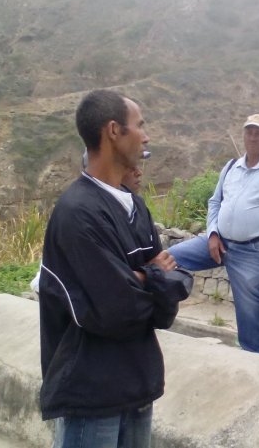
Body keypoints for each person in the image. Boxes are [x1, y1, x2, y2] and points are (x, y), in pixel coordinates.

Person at [39, 90, 191, 447]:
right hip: (92, 398)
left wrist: (142, 279)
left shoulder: (135, 208)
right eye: (139, 126)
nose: (146, 136)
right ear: (113, 131)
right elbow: (114, 310)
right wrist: (151, 276)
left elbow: (172, 293)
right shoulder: (78, 214)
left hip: (137, 387)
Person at [168, 114, 259, 354]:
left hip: (253, 252)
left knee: (250, 313)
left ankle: (254, 360)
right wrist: (212, 234)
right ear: (244, 135)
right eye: (249, 132)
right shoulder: (231, 167)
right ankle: (157, 316)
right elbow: (215, 203)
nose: (253, 137)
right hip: (220, 242)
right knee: (169, 259)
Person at [30, 151, 149, 295]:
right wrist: (149, 274)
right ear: (107, 169)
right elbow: (108, 282)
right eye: (130, 167)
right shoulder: (82, 213)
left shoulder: (134, 206)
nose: (139, 172)